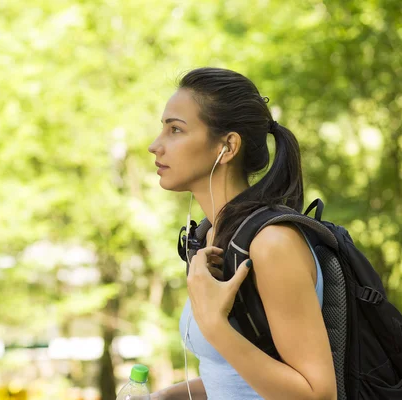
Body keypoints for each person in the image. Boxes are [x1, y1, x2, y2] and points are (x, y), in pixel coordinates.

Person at [147, 67, 337, 400]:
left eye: (175, 129)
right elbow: (236, 378)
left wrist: (215, 326)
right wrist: (163, 397)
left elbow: (317, 394)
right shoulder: (211, 238)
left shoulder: (273, 244)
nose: (155, 146)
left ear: (228, 147)